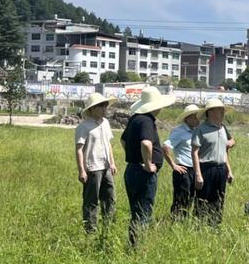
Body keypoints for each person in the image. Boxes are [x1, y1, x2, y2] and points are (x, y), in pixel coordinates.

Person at [120, 86, 176, 246]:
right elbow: (146, 143)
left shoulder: (135, 119)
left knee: (136, 210)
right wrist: (146, 163)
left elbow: (123, 140)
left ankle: (133, 244)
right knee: (143, 213)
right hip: (143, 173)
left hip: (132, 169)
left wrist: (135, 156)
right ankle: (137, 247)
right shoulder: (146, 121)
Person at [75, 93, 117, 233]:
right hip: (92, 168)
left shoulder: (105, 123)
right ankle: (90, 230)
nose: (104, 108)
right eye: (101, 106)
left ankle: (108, 227)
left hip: (106, 167)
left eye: (105, 105)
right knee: (91, 201)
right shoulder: (84, 127)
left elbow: (109, 144)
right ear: (92, 109)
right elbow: (79, 149)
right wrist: (82, 170)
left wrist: (112, 162)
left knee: (110, 198)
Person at [191, 98, 235, 226]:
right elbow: (194, 152)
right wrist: (198, 174)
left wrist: (229, 171)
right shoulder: (200, 129)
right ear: (210, 112)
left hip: (220, 169)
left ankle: (215, 226)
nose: (222, 113)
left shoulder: (222, 128)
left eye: (223, 110)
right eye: (220, 110)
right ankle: (199, 226)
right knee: (202, 200)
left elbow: (224, 152)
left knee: (218, 200)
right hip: (206, 169)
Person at [163, 104, 200, 218]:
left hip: (195, 169)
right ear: (187, 118)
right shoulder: (179, 131)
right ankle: (177, 221)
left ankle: (185, 220)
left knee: (193, 197)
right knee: (181, 198)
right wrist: (173, 165)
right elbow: (166, 146)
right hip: (184, 169)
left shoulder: (196, 131)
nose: (197, 119)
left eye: (197, 117)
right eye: (194, 117)